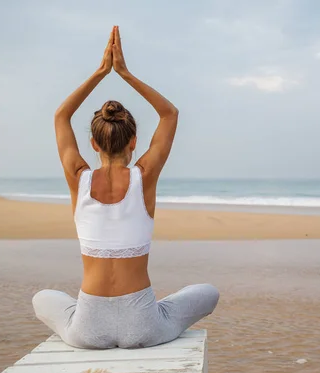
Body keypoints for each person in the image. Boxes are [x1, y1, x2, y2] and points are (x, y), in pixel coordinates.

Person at [32, 26, 219, 349]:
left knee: (42, 298)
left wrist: (101, 72)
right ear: (134, 141)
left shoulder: (79, 178)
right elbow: (169, 114)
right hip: (143, 326)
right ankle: (156, 313)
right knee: (208, 293)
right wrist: (124, 73)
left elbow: (61, 116)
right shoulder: (143, 177)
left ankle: (84, 316)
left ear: (92, 143)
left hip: (88, 329)